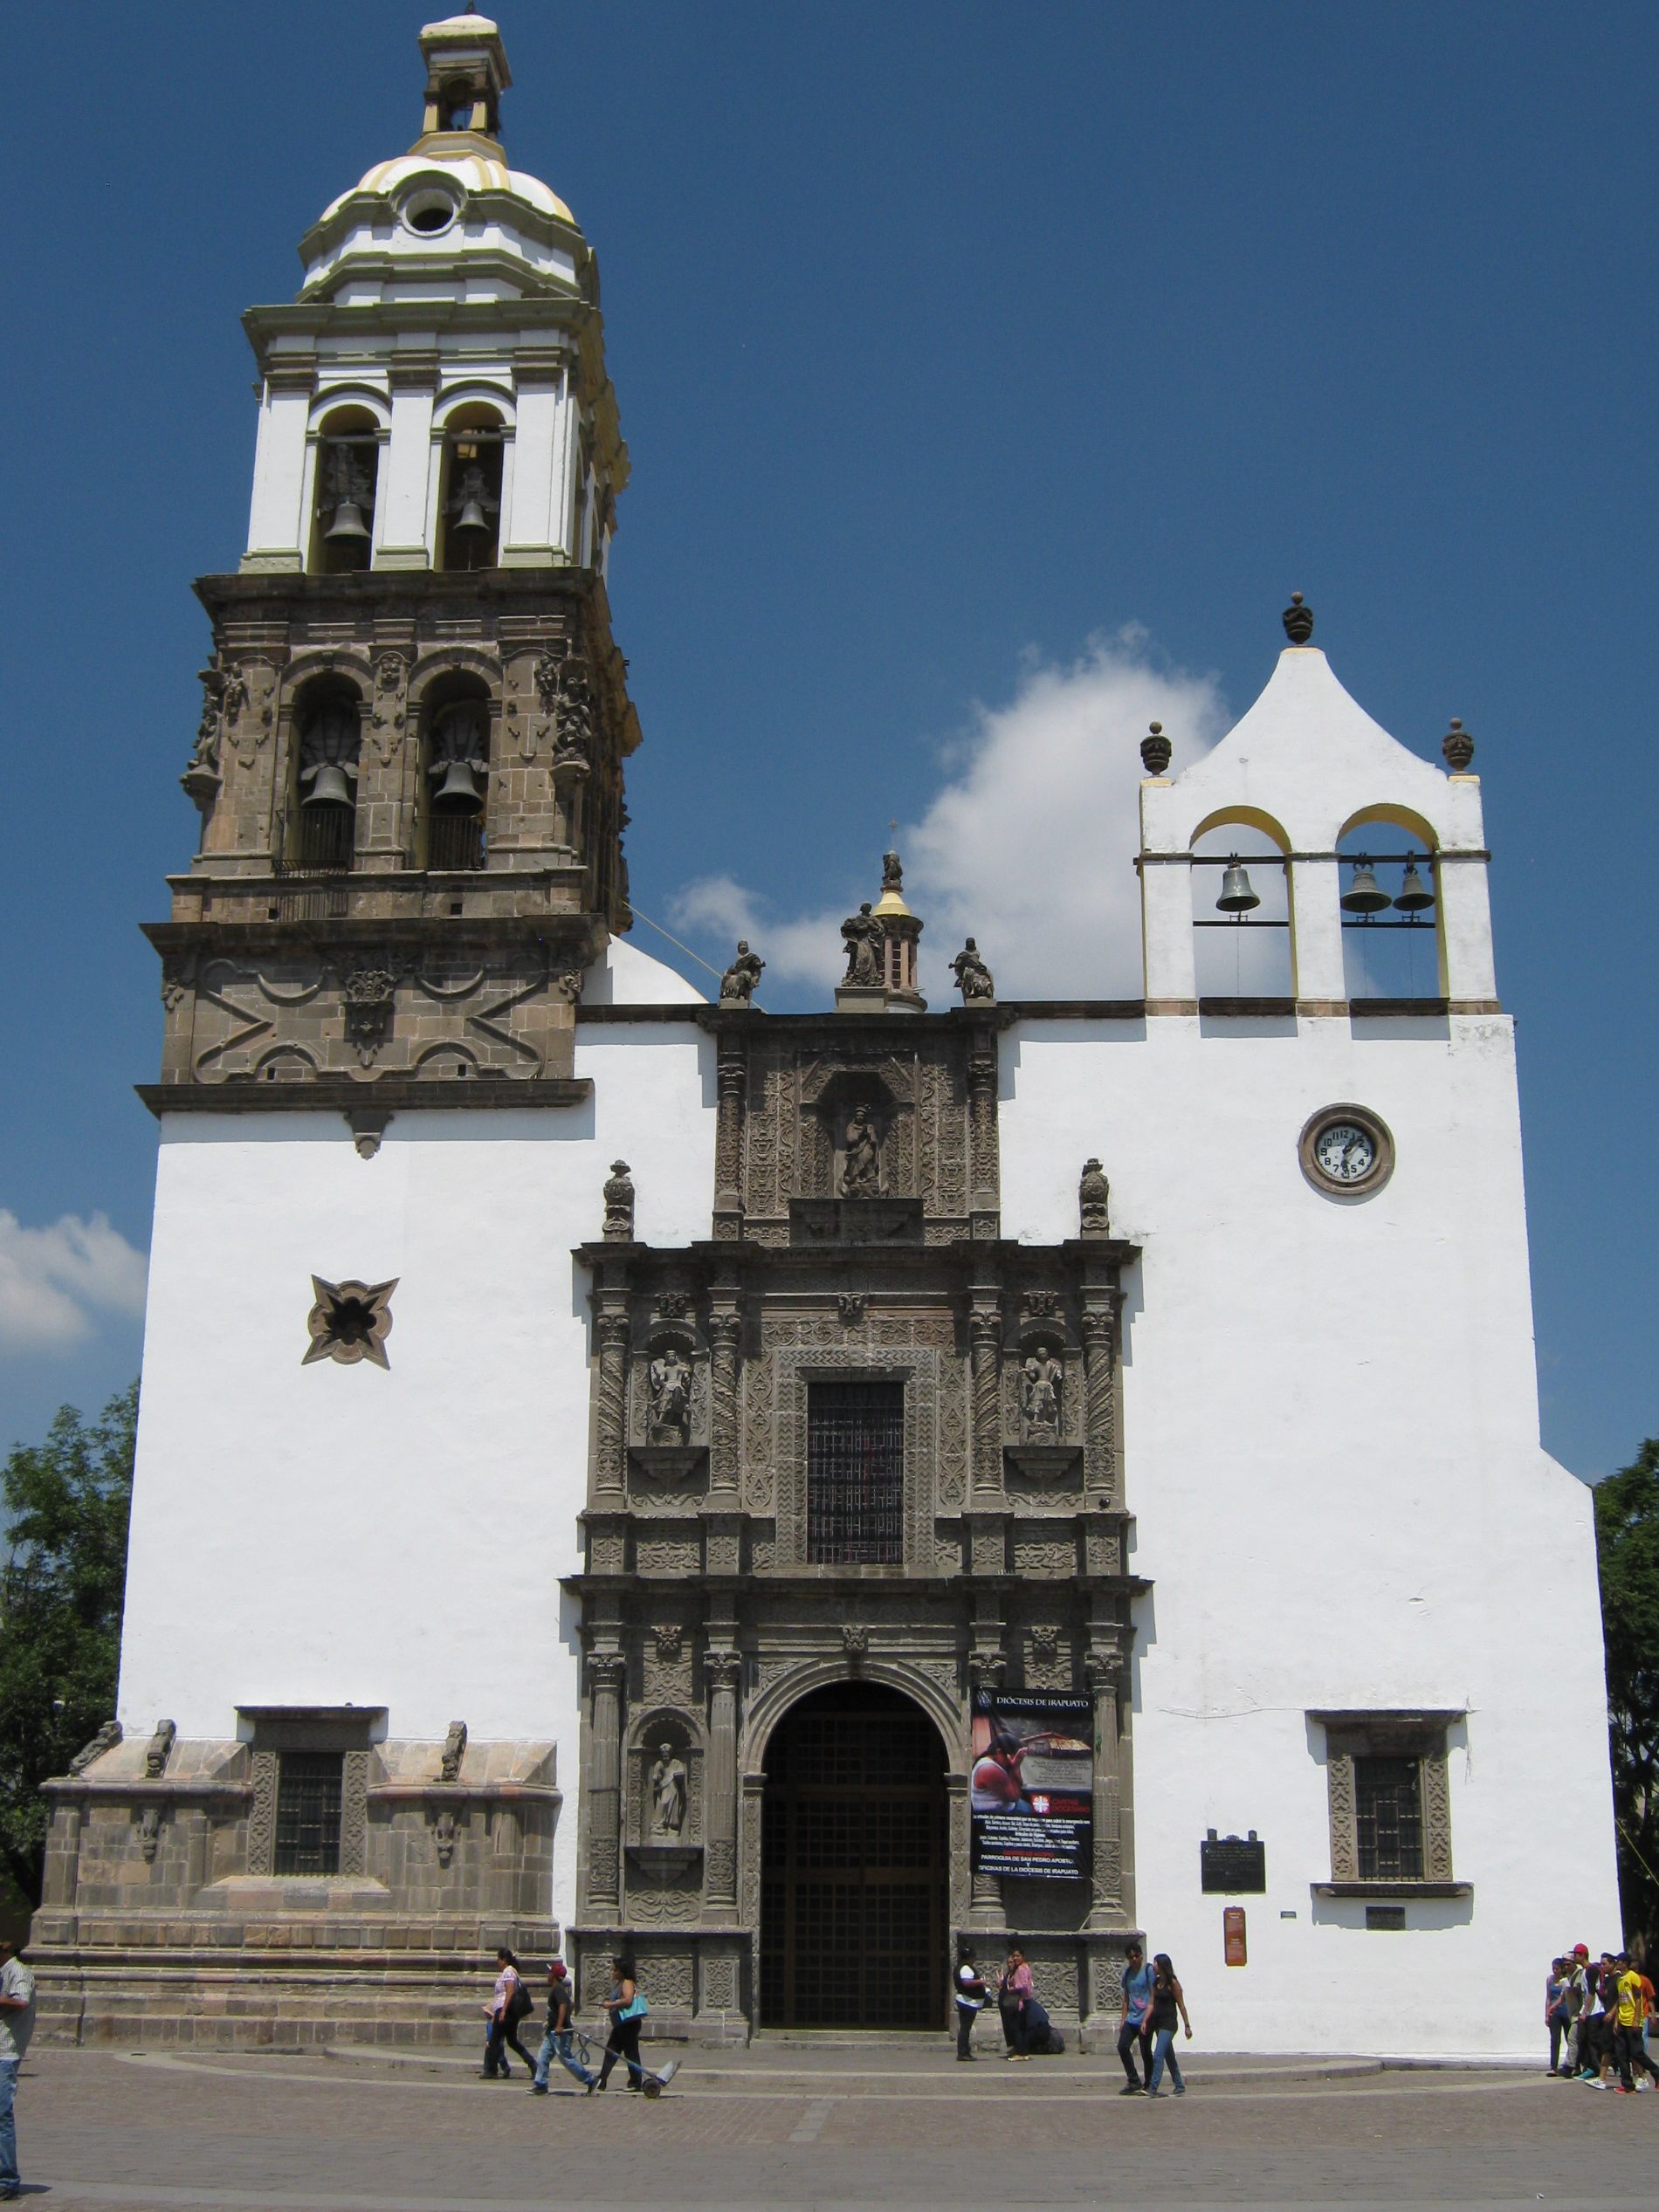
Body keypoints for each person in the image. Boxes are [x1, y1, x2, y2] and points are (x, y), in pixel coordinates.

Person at [0, 1937, 37, 2203]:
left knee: (2, 2116)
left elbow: (21, 2001)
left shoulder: (19, 1971)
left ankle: (7, 2180)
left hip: (6, 2053)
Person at [530, 1961, 594, 2094]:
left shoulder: (557, 1990)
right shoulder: (559, 1990)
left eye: (549, 1973)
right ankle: (541, 2084)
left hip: (561, 2033)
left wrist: (560, 2025)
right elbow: (570, 2005)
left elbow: (564, 2005)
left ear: (553, 1975)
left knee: (566, 2059)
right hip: (551, 2032)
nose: (548, 1975)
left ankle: (590, 2079)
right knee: (543, 2057)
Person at [591, 1957, 648, 2092]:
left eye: (615, 1970)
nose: (613, 1972)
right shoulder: (620, 1983)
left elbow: (628, 2001)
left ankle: (635, 2082)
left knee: (631, 2053)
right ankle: (602, 2079)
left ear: (622, 1971)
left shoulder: (627, 1982)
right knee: (611, 2050)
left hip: (628, 2024)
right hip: (621, 2024)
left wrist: (610, 2004)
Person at [481, 1948, 537, 2080]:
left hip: (505, 2010)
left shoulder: (508, 1972)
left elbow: (510, 1991)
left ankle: (491, 2070)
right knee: (512, 2041)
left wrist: (503, 2011)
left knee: (494, 2040)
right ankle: (533, 2064)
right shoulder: (512, 1972)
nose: (497, 1962)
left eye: (498, 1959)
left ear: (504, 1960)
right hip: (508, 2011)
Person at [1145, 1953, 1193, 2098]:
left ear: (1162, 1966)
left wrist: (1187, 2026)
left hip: (1169, 2024)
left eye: (1156, 1964)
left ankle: (1153, 2088)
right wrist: (1145, 2020)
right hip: (1157, 2023)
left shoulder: (1173, 1984)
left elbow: (1181, 2005)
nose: (1153, 1967)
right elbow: (1151, 2004)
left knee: (1158, 2054)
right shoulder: (1155, 1983)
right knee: (1169, 2056)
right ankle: (1179, 2085)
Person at [1118, 1941, 1154, 2094]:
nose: (1134, 1959)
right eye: (1130, 1957)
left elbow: (1153, 1995)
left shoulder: (1148, 1970)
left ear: (1141, 1956)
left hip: (1146, 2017)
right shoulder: (1127, 1974)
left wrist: (1147, 2019)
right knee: (1122, 2046)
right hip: (1132, 2018)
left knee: (1146, 2051)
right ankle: (1133, 2080)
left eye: (1136, 1956)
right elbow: (1126, 1998)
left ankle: (1149, 2082)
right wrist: (1122, 2019)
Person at [997, 1948, 1034, 2060]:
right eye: (1014, 1956)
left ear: (1023, 1956)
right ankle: (1023, 2051)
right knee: (1021, 2027)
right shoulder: (1022, 1968)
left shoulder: (1022, 1969)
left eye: (1018, 1956)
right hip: (1023, 2000)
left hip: (1020, 2001)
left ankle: (1020, 2052)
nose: (1016, 1958)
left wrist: (1011, 1989)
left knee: (1017, 2027)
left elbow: (1023, 1985)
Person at [954, 1954, 989, 2061]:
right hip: (967, 2002)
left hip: (967, 2001)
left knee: (965, 2028)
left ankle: (965, 2052)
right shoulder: (965, 1968)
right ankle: (963, 2053)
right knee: (965, 2027)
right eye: (974, 1957)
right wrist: (980, 1981)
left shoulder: (961, 1967)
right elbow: (966, 1982)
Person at [1545, 1955, 1573, 2075]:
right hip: (1554, 2013)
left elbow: (1566, 1996)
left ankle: (1571, 2064)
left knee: (1570, 2038)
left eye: (1557, 1968)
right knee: (1555, 2039)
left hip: (1565, 2012)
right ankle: (1553, 2066)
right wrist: (1547, 2013)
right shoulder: (1550, 1980)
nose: (1555, 1971)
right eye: (1553, 1968)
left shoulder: (1565, 1981)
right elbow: (1548, 1997)